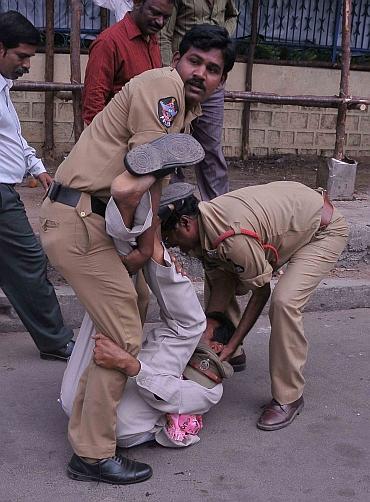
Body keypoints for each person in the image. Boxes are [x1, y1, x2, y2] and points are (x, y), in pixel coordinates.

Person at [39, 25, 236, 484]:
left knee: (136, 306)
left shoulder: (184, 110)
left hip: (89, 217)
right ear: (177, 60)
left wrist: (148, 246)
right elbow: (143, 169)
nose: (199, 73)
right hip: (80, 220)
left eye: (212, 69)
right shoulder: (164, 89)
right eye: (194, 61)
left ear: (220, 81)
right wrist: (149, 246)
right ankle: (91, 455)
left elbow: (154, 181)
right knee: (126, 331)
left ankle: (87, 425)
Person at [160, 181, 349, 431]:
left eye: (172, 240)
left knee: (284, 302)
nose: (176, 247)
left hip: (321, 231)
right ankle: (230, 355)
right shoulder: (205, 226)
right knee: (216, 277)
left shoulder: (231, 238)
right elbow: (222, 284)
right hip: (293, 220)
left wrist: (232, 341)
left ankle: (288, 398)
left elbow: (261, 292)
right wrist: (207, 329)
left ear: (185, 223)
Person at [60, 205, 234, 449]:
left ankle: (149, 241)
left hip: (121, 425)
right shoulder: (174, 349)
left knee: (190, 326)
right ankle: (142, 249)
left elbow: (170, 395)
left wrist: (130, 365)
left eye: (209, 328)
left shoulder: (211, 388)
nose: (203, 324)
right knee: (108, 310)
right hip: (77, 401)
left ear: (216, 346)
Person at [0, 11, 74, 361]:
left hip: (6, 189)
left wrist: (36, 166)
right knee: (28, 260)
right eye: (22, 56)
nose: (28, 65)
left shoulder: (3, 87)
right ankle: (55, 341)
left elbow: (11, 137)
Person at [159, 0, 239, 201]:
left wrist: (221, 35)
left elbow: (233, 15)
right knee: (171, 143)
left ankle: (218, 206)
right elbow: (164, 35)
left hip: (209, 86)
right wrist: (172, 74)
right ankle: (175, 206)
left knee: (210, 147)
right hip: (181, 80)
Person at [83, 0, 174, 125]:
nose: (160, 22)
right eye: (154, 13)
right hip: (116, 136)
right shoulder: (108, 42)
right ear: (137, 3)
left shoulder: (152, 39)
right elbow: (93, 105)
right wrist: (107, 140)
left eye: (166, 17)